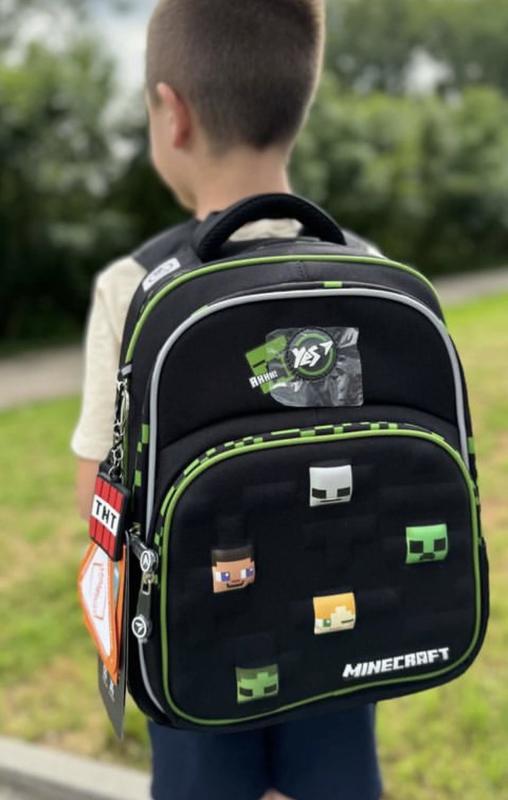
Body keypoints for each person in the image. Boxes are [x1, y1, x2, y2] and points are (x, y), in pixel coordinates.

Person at [72, 1, 384, 798]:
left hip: (195, 643)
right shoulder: (367, 269)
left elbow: (97, 500)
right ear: (298, 105)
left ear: (171, 114)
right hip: (338, 624)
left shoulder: (134, 287)